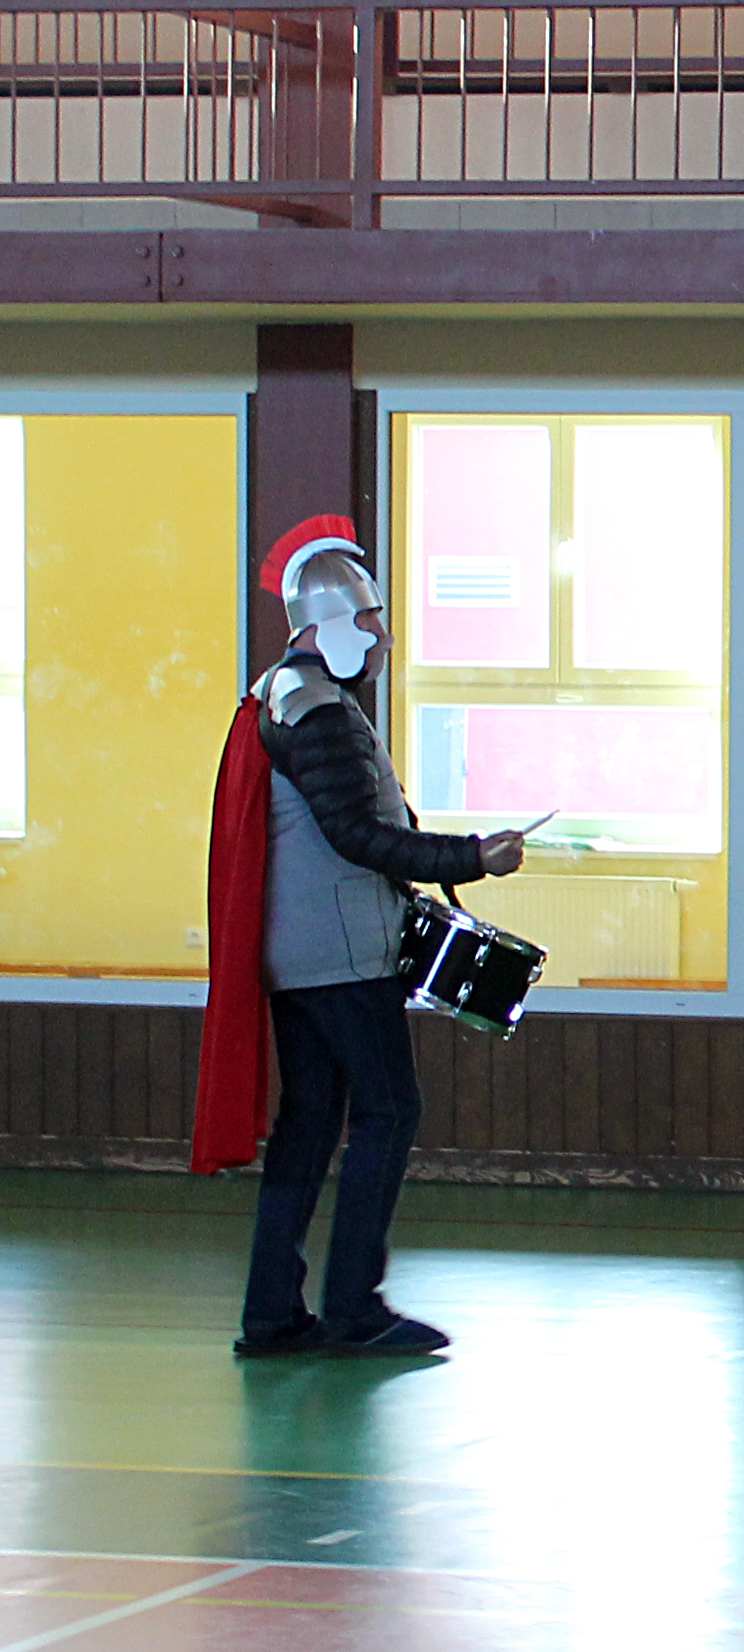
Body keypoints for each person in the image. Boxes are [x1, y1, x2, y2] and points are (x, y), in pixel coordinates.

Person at [198, 517, 527, 1358]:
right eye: (372, 621)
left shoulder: (282, 692)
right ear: (331, 622)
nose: (382, 639)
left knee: (311, 1122)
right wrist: (473, 857)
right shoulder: (317, 710)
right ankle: (353, 1306)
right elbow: (358, 835)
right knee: (388, 1109)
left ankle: (273, 1313)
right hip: (343, 955)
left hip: (303, 952)